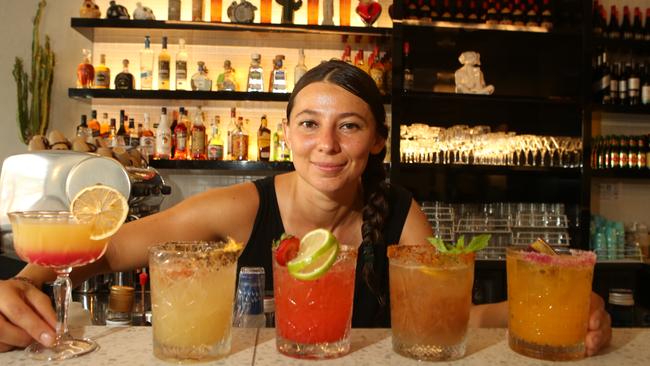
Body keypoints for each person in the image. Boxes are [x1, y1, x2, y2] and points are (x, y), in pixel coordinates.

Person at [0, 60, 611, 355]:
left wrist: (555, 307)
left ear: (375, 142)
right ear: (287, 133)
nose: (326, 145)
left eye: (349, 127)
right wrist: (24, 284)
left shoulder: (398, 212)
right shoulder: (241, 205)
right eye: (309, 124)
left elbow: (446, 322)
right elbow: (104, 250)